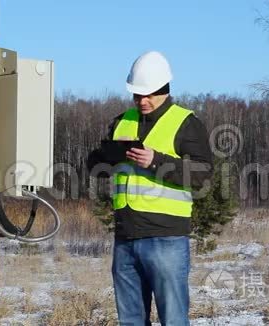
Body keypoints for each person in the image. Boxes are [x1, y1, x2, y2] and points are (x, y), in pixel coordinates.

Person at [88, 51, 213, 326]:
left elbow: (203, 174)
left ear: (165, 89)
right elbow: (93, 166)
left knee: (173, 320)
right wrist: (108, 157)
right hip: (125, 237)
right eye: (137, 95)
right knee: (131, 321)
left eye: (149, 95)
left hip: (166, 239)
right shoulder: (122, 121)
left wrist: (156, 161)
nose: (142, 101)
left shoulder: (186, 123)